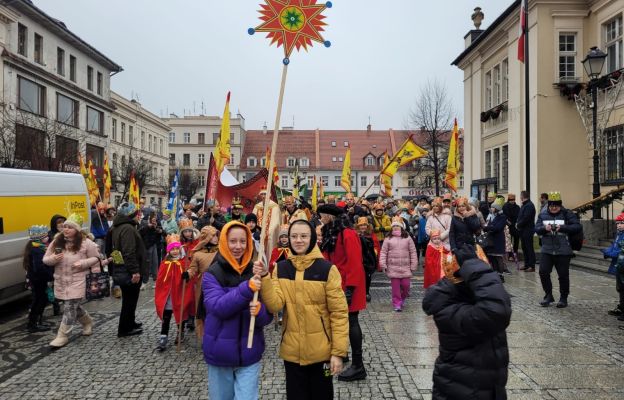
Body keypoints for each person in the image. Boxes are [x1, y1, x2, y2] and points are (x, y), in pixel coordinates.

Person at [254, 219, 349, 399]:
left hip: (322, 354)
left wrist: (338, 353)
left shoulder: (327, 269)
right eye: (294, 236)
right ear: (288, 239)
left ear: (312, 238)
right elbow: (275, 305)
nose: (299, 240)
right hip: (292, 353)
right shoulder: (281, 268)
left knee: (323, 395)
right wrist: (265, 277)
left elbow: (339, 314)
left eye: (304, 236)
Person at [422, 244, 511, 399]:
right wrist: (474, 265)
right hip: (463, 391)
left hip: (483, 388)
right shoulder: (448, 307)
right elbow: (495, 311)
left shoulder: (471, 297)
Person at [202, 221, 273, 400]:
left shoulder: (256, 271)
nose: (238, 246)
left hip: (249, 352)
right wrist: (246, 288)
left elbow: (267, 316)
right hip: (220, 353)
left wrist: (260, 312)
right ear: (224, 242)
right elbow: (218, 308)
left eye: (243, 241)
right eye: (233, 241)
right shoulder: (212, 273)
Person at [318, 204, 367, 382]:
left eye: (322, 215)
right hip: (336, 284)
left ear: (330, 216)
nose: (321, 218)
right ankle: (342, 352)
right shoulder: (331, 233)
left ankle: (358, 365)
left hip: (349, 285)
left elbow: (355, 263)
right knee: (337, 320)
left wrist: (350, 290)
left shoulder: (348, 234)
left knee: (352, 321)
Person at [43, 213, 101, 347]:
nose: (66, 229)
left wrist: (83, 263)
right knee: (74, 306)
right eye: (65, 227)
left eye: (70, 227)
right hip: (62, 280)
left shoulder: (87, 243)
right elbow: (45, 259)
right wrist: (53, 259)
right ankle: (87, 322)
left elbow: (98, 258)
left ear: (77, 230)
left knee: (69, 307)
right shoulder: (57, 241)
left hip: (79, 280)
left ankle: (62, 335)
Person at [535, 192, 582, 308]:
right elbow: (536, 228)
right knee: (543, 272)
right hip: (547, 249)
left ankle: (563, 298)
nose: (554, 208)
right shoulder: (543, 214)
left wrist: (563, 227)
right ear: (548, 205)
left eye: (556, 205)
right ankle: (548, 295)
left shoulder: (567, 214)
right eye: (551, 206)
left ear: (560, 205)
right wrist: (544, 228)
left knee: (563, 275)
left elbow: (577, 226)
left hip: (563, 250)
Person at [108, 202, 147, 337]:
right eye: (137, 214)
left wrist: (119, 266)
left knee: (131, 299)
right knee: (129, 300)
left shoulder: (117, 227)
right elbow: (128, 251)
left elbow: (113, 251)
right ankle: (124, 328)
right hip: (130, 270)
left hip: (123, 268)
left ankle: (130, 322)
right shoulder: (127, 228)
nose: (139, 216)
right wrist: (134, 271)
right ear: (131, 215)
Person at [154, 234, 193, 351]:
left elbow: (189, 278)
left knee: (179, 315)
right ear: (168, 250)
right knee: (166, 316)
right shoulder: (164, 263)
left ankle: (180, 332)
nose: (175, 251)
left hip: (178, 295)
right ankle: (163, 336)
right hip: (167, 296)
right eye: (172, 249)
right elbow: (160, 280)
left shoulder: (183, 262)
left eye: (177, 249)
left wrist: (187, 277)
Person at [188, 225, 219, 342]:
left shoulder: (222, 251)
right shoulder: (197, 254)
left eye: (216, 235)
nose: (216, 238)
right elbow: (193, 269)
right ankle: (206, 335)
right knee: (203, 311)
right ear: (206, 238)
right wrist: (188, 274)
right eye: (213, 235)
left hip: (219, 284)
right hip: (202, 286)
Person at [379, 217, 418, 312]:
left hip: (405, 267)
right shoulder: (388, 238)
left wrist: (413, 265)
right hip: (393, 267)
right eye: (394, 226)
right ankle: (397, 303)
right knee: (395, 288)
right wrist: (383, 264)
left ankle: (402, 298)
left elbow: (413, 252)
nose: (396, 227)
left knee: (406, 286)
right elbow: (383, 252)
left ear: (402, 227)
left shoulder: (407, 238)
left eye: (398, 226)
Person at [23, 225, 54, 332]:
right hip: (38, 280)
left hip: (38, 280)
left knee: (40, 300)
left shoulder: (37, 247)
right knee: (39, 301)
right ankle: (33, 324)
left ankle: (36, 322)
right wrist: (50, 276)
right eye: (45, 236)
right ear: (39, 238)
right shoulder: (37, 250)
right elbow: (40, 267)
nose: (48, 238)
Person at [603, 213, 624, 320]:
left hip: (623, 265)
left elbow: (620, 250)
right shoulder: (618, 234)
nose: (619, 225)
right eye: (617, 223)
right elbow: (613, 246)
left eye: (622, 223)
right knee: (620, 287)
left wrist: (608, 253)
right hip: (619, 265)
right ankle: (621, 307)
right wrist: (607, 251)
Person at [355, 217, 380, 303]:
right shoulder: (355, 234)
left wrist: (374, 253)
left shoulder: (371, 235)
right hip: (358, 258)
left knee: (367, 277)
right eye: (361, 225)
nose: (363, 227)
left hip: (367, 259)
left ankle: (366, 292)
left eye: (364, 225)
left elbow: (375, 246)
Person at [483, 197, 508, 282]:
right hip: (492, 240)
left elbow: (497, 227)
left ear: (497, 208)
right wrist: (488, 227)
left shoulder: (502, 216)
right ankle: (496, 274)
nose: (491, 208)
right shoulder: (493, 216)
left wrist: (488, 227)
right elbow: (490, 226)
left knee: (498, 258)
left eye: (493, 207)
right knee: (493, 258)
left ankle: (501, 275)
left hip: (498, 240)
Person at [252, 189, 282, 255]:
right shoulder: (257, 206)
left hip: (269, 231)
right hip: (258, 231)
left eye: (265, 194)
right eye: (262, 194)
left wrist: (267, 231)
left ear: (269, 195)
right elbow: (253, 219)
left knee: (270, 237)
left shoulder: (275, 206)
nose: (263, 196)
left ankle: (269, 262)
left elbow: (276, 222)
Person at [140, 213, 163, 288]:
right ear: (149, 218)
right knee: (147, 264)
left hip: (155, 245)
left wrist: (159, 230)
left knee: (155, 263)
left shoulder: (158, 223)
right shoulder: (144, 223)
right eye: (153, 218)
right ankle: (144, 281)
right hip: (147, 246)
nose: (154, 219)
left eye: (155, 218)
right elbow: (140, 232)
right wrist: (147, 227)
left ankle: (155, 280)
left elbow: (163, 232)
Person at [517, 191, 537, 272]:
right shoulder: (524, 205)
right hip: (523, 230)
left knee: (529, 248)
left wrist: (518, 224)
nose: (520, 197)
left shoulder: (529, 205)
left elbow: (526, 218)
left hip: (528, 230)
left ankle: (531, 266)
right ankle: (526, 264)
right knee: (524, 248)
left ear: (523, 196)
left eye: (520, 196)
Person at [502, 194, 520, 261]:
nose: (512, 201)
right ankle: (509, 255)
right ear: (508, 200)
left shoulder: (517, 207)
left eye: (513, 200)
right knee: (509, 241)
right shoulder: (505, 206)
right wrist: (507, 222)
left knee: (516, 240)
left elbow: (519, 215)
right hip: (508, 226)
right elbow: (504, 216)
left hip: (515, 225)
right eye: (511, 200)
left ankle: (515, 253)